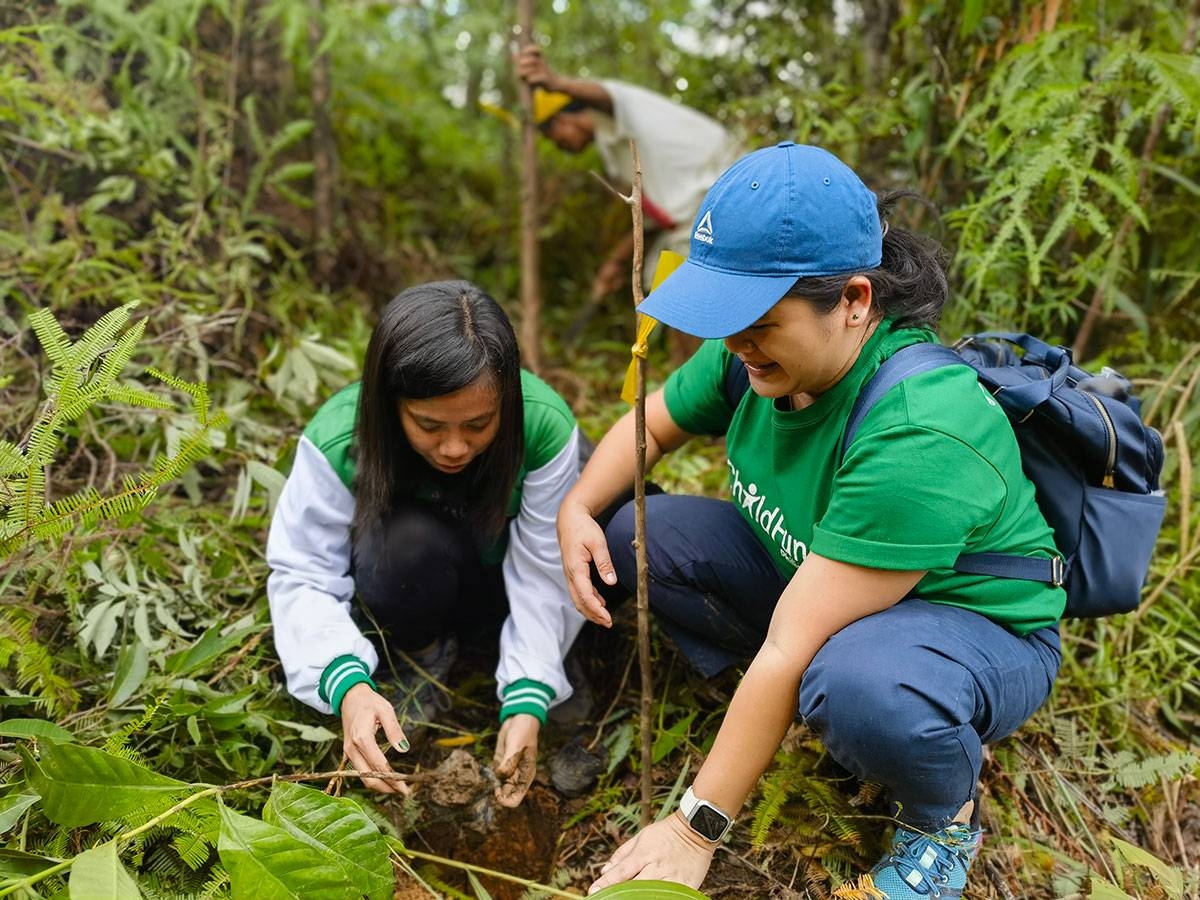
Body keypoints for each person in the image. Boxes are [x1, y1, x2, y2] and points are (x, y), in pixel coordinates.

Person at [555, 143, 1066, 898]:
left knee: (861, 687)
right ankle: (779, 708)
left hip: (971, 627)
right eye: (720, 315)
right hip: (816, 579)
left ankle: (941, 815)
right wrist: (575, 507)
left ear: (855, 301)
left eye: (757, 319)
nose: (735, 341)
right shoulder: (753, 356)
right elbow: (653, 424)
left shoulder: (919, 427)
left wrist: (695, 827)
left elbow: (795, 638)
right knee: (639, 537)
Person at [267, 279, 587, 808]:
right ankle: (423, 656)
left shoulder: (543, 424)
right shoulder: (340, 439)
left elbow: (547, 566)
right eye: (429, 425)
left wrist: (530, 692)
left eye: (480, 424)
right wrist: (346, 684)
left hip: (501, 576)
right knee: (405, 547)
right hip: (416, 574)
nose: (455, 447)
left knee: (611, 523)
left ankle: (558, 657)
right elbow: (302, 572)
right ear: (390, 403)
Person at [515, 46, 742, 348]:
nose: (559, 146)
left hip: (725, 197)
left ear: (563, 119)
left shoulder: (625, 113)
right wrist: (616, 262)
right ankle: (693, 382)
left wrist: (556, 83)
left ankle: (705, 384)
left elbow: (611, 96)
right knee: (665, 289)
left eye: (553, 137)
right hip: (688, 220)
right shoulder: (612, 150)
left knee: (683, 297)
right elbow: (651, 216)